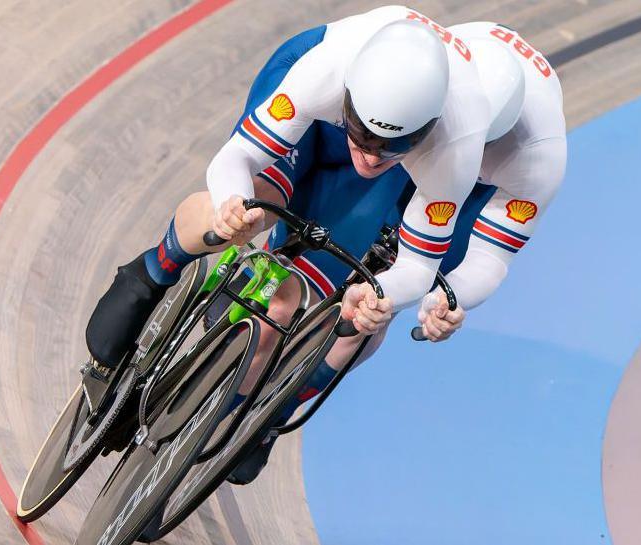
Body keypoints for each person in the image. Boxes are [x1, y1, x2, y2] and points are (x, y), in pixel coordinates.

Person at [83, 6, 488, 426]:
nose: (369, 155)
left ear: (427, 130)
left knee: (351, 294)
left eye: (390, 144)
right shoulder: (320, 75)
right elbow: (236, 157)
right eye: (364, 136)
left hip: (398, 158)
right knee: (252, 208)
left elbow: (418, 266)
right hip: (316, 118)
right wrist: (232, 205)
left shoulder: (455, 149)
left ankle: (253, 418)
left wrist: (384, 298)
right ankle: (153, 271)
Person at [226, 20, 567, 484]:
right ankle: (251, 300)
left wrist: (447, 299)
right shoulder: (421, 94)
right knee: (328, 227)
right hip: (412, 145)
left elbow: (491, 259)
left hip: (465, 184)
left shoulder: (538, 160)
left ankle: (270, 418)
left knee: (374, 312)